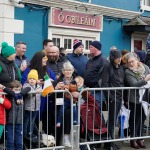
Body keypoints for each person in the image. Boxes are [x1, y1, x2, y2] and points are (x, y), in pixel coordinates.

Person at [21, 51, 55, 134]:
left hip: (44, 98)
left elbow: (54, 81)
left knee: (40, 118)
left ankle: (37, 136)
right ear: (38, 59)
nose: (45, 60)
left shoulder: (48, 70)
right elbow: (23, 82)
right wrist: (37, 82)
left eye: (46, 58)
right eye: (44, 58)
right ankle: (27, 137)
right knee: (29, 120)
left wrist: (51, 82)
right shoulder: (29, 69)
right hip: (32, 99)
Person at [125, 53, 150, 149]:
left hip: (144, 98)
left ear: (137, 60)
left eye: (132, 61)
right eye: (129, 62)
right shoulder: (128, 72)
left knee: (142, 119)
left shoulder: (145, 67)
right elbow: (134, 84)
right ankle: (133, 139)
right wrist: (145, 80)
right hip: (134, 99)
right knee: (135, 120)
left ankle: (140, 139)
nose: (131, 64)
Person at [102, 50, 124, 149]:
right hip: (112, 97)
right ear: (113, 58)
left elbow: (121, 81)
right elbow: (104, 83)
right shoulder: (107, 66)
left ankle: (108, 140)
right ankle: (109, 143)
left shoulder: (120, 67)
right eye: (117, 58)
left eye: (120, 57)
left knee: (113, 120)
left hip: (119, 97)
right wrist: (109, 97)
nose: (119, 59)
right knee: (111, 121)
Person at [0, 81, 31, 150]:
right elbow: (7, 90)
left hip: (19, 123)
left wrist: (20, 94)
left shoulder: (22, 95)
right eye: (15, 90)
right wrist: (14, 95)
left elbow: (28, 88)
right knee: (10, 143)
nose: (17, 92)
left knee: (19, 143)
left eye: (19, 90)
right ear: (11, 90)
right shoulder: (9, 95)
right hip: (9, 124)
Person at [54, 61, 78, 147]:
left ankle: (70, 137)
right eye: (66, 70)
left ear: (72, 71)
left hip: (73, 103)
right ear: (63, 72)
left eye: (70, 70)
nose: (68, 72)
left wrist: (78, 93)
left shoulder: (76, 80)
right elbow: (51, 95)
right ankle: (62, 140)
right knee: (65, 112)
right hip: (60, 103)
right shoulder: (58, 81)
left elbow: (83, 90)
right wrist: (56, 88)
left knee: (71, 113)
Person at [84, 40, 108, 110]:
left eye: (91, 47)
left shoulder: (103, 60)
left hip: (97, 91)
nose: (89, 49)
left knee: (96, 110)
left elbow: (104, 77)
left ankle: (100, 121)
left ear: (96, 48)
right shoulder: (90, 60)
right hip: (88, 89)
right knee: (92, 111)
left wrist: (96, 88)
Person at [23, 69, 42, 141]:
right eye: (30, 78)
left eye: (34, 79)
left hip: (36, 107)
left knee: (32, 121)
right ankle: (24, 135)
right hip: (28, 107)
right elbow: (28, 96)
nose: (32, 80)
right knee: (26, 121)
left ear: (36, 80)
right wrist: (34, 92)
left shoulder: (39, 86)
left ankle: (30, 133)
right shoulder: (26, 86)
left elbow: (42, 94)